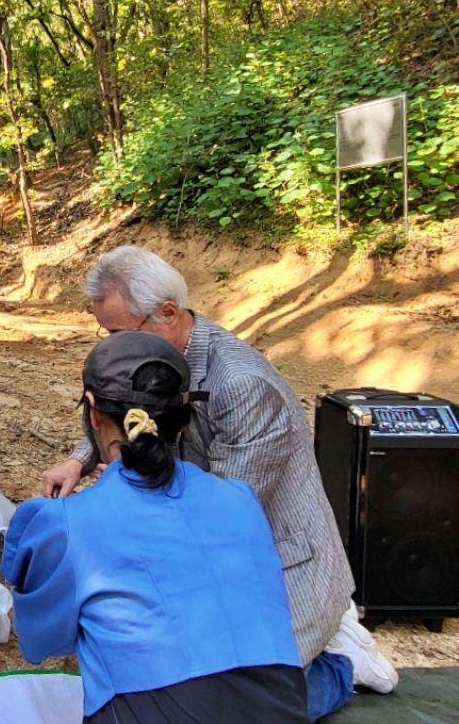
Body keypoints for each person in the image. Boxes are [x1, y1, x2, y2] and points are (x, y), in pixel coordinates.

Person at [42, 245, 398, 720]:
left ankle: (342, 661)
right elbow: (123, 410)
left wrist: (131, 492)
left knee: (246, 703)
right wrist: (80, 459)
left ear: (167, 313)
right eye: (104, 335)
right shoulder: (157, 357)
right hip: (202, 546)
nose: (111, 348)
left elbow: (230, 510)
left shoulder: (242, 383)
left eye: (119, 334)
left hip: (278, 559)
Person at [5, 331, 309, 723]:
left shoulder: (66, 522)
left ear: (93, 411)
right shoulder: (240, 500)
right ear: (183, 423)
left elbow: (39, 640)